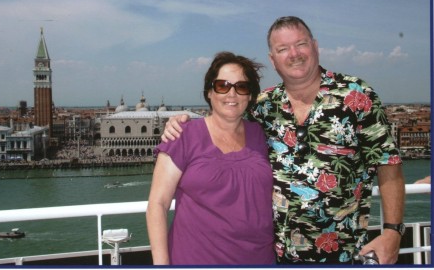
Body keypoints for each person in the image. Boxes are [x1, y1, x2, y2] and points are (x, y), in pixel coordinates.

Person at [161, 16, 406, 265]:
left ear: (315, 46)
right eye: (282, 49)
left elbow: (389, 164)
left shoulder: (356, 95)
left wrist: (392, 231)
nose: (294, 54)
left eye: (300, 44)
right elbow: (224, 114)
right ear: (273, 59)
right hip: (277, 255)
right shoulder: (263, 105)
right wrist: (182, 122)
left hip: (344, 254)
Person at [146, 51, 275, 265]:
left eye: (241, 87)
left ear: (250, 95)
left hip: (260, 259)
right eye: (222, 85)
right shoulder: (182, 135)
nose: (231, 94)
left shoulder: (261, 134)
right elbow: (157, 205)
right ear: (209, 92)